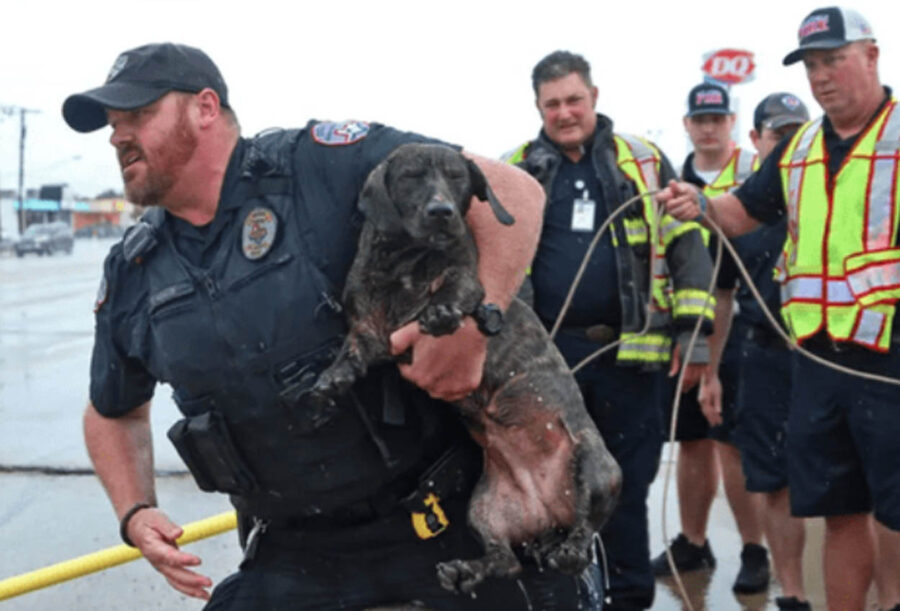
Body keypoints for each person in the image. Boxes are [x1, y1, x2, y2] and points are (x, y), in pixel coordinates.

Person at [64, 42, 604, 610]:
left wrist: (475, 321)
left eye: (139, 116)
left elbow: (514, 192)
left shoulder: (321, 166)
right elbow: (112, 411)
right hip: (295, 553)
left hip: (438, 521)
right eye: (113, 124)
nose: (118, 136)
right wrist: (136, 511)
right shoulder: (135, 270)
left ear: (204, 108)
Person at [658, 7, 900, 610]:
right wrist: (700, 203)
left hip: (890, 363)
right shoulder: (798, 149)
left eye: (833, 60)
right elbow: (742, 211)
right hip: (816, 362)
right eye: (812, 65)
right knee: (840, 507)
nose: (821, 76)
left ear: (871, 57)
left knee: (897, 514)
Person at [504, 50, 715, 611]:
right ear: (538, 108)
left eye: (574, 99)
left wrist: (694, 338)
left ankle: (627, 596)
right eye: (553, 104)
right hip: (550, 364)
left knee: (624, 487)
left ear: (594, 97)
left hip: (631, 357)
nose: (565, 112)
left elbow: (688, 247)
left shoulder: (645, 162)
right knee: (552, 491)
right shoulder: (514, 170)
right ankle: (562, 596)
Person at [652, 82, 770, 595]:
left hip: (744, 321)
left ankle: (753, 548)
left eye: (718, 118)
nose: (708, 127)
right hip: (688, 325)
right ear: (686, 124)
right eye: (700, 119)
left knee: (733, 442)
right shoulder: (671, 182)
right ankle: (693, 540)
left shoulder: (753, 177)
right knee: (692, 439)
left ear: (731, 122)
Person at [722, 92, 811, 610]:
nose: (788, 144)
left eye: (798, 132)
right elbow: (721, 294)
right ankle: (792, 592)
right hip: (761, 354)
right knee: (771, 479)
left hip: (829, 356)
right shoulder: (742, 211)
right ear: (756, 140)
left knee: (855, 487)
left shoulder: (828, 194)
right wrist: (710, 373)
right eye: (779, 134)